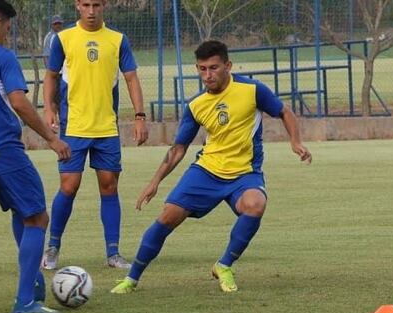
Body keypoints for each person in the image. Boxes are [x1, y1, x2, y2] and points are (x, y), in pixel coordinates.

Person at [110, 39, 312, 295]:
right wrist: (155, 182)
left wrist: (295, 142)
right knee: (168, 216)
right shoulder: (196, 105)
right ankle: (131, 279)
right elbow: (178, 148)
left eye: (214, 68)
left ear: (228, 65)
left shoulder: (252, 90)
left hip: (245, 173)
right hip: (206, 171)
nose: (208, 75)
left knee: (255, 204)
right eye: (202, 69)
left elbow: (284, 112)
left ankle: (224, 265)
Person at [0, 0, 71, 313]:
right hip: (4, 151)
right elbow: (20, 102)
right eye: (7, 28)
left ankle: (33, 282)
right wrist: (52, 139)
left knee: (23, 212)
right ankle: (25, 302)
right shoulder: (1, 56)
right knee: (38, 217)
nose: (7, 34)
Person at [41, 0, 148, 271]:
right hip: (74, 127)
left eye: (96, 5)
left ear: (104, 5)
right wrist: (49, 108)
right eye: (86, 5)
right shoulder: (63, 39)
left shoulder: (117, 40)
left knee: (109, 186)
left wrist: (140, 116)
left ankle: (113, 253)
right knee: (69, 185)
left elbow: (131, 78)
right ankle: (52, 248)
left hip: (106, 129)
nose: (91, 11)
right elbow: (50, 76)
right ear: (77, 5)